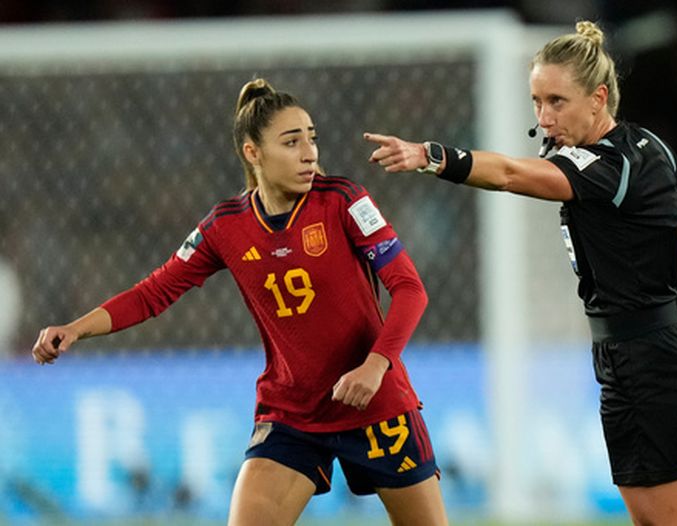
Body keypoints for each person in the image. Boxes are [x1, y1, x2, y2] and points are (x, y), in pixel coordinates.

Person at [365, 21, 677, 526]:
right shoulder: (649, 144)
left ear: (598, 98)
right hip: (670, 347)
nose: (544, 117)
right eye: (537, 101)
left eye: (557, 102)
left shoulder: (604, 167)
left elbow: (512, 174)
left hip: (644, 361)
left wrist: (433, 157)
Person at [32, 78, 448, 526]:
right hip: (293, 414)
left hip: (375, 404)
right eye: (292, 142)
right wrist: (75, 328)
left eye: (312, 138)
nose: (309, 153)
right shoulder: (224, 227)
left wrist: (375, 365)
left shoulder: (345, 201)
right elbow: (154, 292)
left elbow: (410, 288)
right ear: (253, 152)